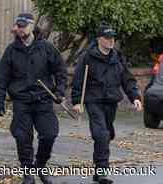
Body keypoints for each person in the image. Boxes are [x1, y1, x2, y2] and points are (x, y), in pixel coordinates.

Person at [0, 13, 68, 184]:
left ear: (31, 26)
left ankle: (40, 165)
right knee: (22, 137)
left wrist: (60, 92)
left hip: (43, 100)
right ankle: (27, 172)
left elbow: (60, 71)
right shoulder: (11, 51)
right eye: (18, 26)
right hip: (21, 101)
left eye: (23, 26)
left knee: (49, 134)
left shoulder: (46, 48)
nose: (20, 29)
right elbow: (2, 77)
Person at [71, 23, 143, 184]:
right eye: (107, 38)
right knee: (101, 135)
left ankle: (98, 171)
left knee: (107, 134)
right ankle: (103, 172)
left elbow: (127, 79)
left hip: (111, 101)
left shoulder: (117, 57)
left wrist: (135, 97)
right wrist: (77, 101)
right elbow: (78, 80)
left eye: (112, 38)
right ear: (99, 39)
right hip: (93, 101)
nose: (111, 41)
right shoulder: (88, 57)